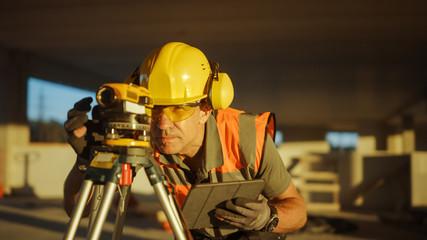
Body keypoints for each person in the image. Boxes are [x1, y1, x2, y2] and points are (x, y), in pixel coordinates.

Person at [63, 42, 307, 240]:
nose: (162, 125)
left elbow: (298, 211)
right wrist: (86, 162)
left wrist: (268, 218)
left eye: (178, 109)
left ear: (205, 108)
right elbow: (77, 212)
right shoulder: (144, 137)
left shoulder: (246, 135)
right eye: (154, 110)